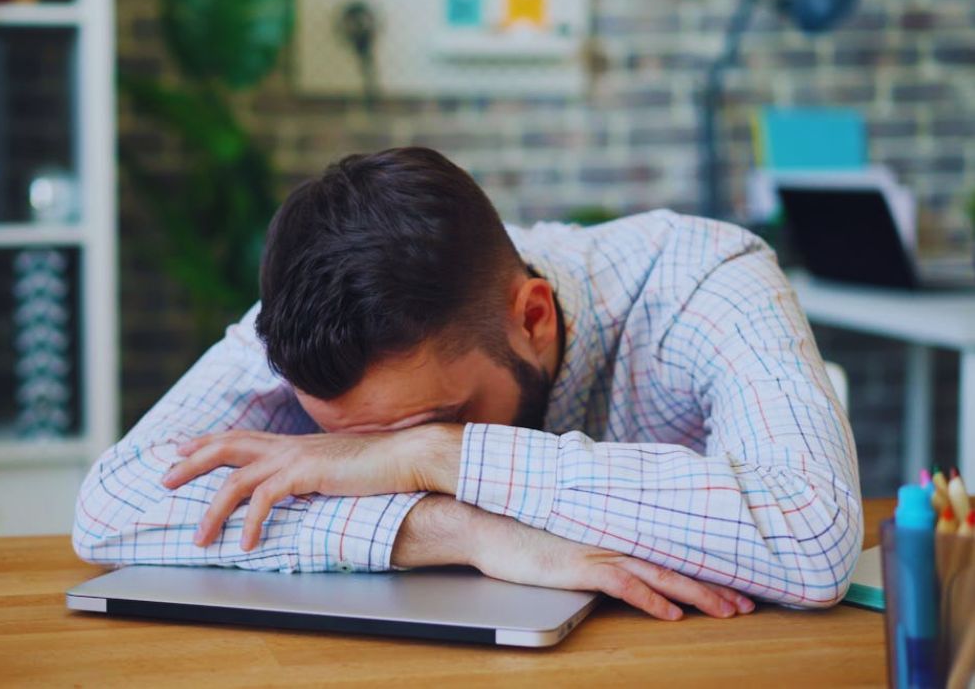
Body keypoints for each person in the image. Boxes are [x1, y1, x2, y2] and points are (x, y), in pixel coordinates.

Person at [74, 147, 862, 621]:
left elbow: (811, 534)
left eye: (425, 420)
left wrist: (435, 456)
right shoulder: (310, 319)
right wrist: (458, 530)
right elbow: (110, 507)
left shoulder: (704, 276)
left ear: (533, 316)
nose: (368, 459)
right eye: (352, 441)